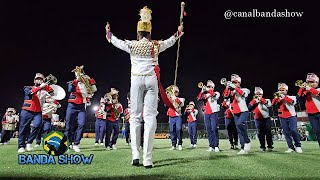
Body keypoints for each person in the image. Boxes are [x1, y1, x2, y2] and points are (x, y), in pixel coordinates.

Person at [105, 6, 184, 168]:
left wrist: (109, 33)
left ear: (138, 33)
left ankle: (135, 155)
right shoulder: (155, 45)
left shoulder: (132, 45)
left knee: (134, 117)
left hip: (136, 81)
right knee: (150, 118)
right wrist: (178, 32)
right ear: (149, 33)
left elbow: (116, 41)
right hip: (151, 81)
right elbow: (169, 42)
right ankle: (148, 159)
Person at [18, 73, 54, 153]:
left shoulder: (45, 90)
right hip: (27, 110)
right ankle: (21, 146)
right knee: (23, 128)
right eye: (37, 79)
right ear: (34, 80)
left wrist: (46, 86)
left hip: (38, 111)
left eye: (41, 79)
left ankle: (29, 142)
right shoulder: (28, 87)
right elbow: (30, 93)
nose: (39, 80)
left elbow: (53, 94)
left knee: (38, 126)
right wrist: (40, 86)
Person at [65, 66, 97, 152]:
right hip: (71, 106)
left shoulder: (85, 84)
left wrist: (91, 82)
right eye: (77, 72)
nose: (79, 73)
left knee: (81, 124)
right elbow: (70, 89)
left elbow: (93, 90)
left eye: (80, 72)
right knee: (68, 126)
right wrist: (77, 80)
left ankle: (76, 144)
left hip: (81, 106)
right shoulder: (71, 82)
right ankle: (68, 143)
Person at [272, 83, 302, 153]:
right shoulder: (278, 98)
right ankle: (291, 147)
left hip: (291, 116)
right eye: (280, 90)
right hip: (282, 117)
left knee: (294, 130)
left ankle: (298, 146)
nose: (281, 91)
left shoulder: (292, 97)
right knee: (286, 132)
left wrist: (283, 97)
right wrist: (277, 97)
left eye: (283, 90)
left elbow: (292, 102)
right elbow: (273, 104)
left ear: (286, 91)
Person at [227, 74, 251, 154]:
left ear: (239, 83)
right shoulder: (231, 91)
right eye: (232, 82)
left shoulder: (245, 89)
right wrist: (227, 87)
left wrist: (235, 88)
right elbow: (225, 96)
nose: (233, 83)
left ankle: (247, 141)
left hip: (244, 111)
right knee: (239, 130)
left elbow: (244, 94)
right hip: (235, 112)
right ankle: (243, 148)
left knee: (240, 124)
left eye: (235, 82)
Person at [297, 73, 320, 148]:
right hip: (311, 115)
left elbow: (317, 93)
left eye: (311, 82)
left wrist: (308, 88)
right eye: (308, 82)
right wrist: (301, 88)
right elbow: (299, 98)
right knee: (317, 131)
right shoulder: (306, 91)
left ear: (316, 82)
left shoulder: (318, 89)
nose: (309, 84)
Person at [197, 80, 220, 152]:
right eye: (208, 86)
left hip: (214, 113)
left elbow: (214, 95)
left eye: (210, 87)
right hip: (206, 114)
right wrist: (201, 91)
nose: (208, 88)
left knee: (214, 129)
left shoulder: (217, 93)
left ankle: (216, 146)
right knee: (208, 130)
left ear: (213, 87)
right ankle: (211, 146)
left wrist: (208, 90)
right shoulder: (205, 95)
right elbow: (198, 98)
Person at [248, 87, 274, 151]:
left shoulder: (267, 100)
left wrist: (261, 100)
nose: (258, 96)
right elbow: (249, 108)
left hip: (266, 119)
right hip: (257, 119)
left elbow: (269, 105)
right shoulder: (253, 101)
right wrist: (254, 101)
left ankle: (270, 146)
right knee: (260, 133)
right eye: (257, 94)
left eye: (259, 94)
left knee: (268, 132)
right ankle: (262, 146)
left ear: (262, 95)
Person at [167, 85, 185, 151]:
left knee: (179, 129)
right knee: (172, 131)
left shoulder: (181, 99)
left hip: (178, 116)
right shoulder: (171, 98)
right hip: (171, 116)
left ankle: (180, 144)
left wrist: (174, 97)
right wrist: (169, 96)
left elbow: (180, 104)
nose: (175, 93)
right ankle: (173, 145)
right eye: (174, 92)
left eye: (176, 92)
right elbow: (166, 102)